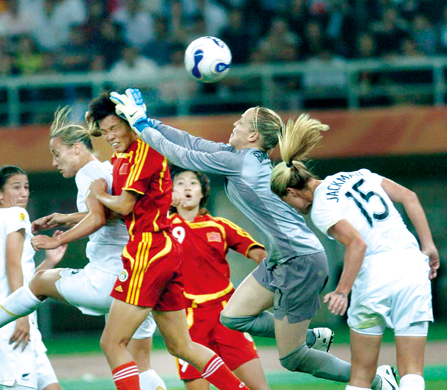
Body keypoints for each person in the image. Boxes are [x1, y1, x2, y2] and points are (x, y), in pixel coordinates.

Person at [109, 88, 398, 390]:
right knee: (232, 318)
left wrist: (140, 126)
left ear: (253, 137)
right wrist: (150, 122)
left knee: (293, 359)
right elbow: (191, 142)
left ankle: (377, 380)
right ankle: (310, 336)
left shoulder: (242, 163)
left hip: (300, 260)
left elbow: (182, 155)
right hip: (281, 259)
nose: (235, 123)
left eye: (242, 122)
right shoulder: (238, 156)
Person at [0, 108, 166, 390]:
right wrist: (64, 217)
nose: (54, 162)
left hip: (110, 278)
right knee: (140, 363)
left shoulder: (87, 173)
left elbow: (98, 218)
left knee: (41, 281)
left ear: (77, 149)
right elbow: (111, 213)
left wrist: (59, 239)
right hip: (140, 277)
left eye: (57, 153)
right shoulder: (107, 168)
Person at [83, 93, 251, 390]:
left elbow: (123, 206)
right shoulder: (122, 153)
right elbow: (97, 133)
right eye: (104, 131)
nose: (108, 136)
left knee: (112, 342)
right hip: (162, 251)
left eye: (113, 128)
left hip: (147, 250)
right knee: (181, 346)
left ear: (129, 123)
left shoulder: (144, 150)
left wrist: (97, 192)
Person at [270, 114, 440, 390]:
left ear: (291, 191)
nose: (293, 207)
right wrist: (428, 245)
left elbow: (357, 243)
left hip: (375, 276)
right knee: (412, 372)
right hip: (412, 266)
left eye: (287, 202)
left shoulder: (322, 207)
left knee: (361, 376)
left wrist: (342, 290)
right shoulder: (359, 174)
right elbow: (409, 196)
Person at [0, 165, 65, 390]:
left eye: (26, 187)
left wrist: (49, 262)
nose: (23, 193)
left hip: (13, 319)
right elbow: (12, 266)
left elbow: (19, 274)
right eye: (16, 187)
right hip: (13, 321)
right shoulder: (17, 214)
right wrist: (20, 315)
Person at [169, 166, 269, 390]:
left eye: (193, 183)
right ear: (169, 191)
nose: (187, 187)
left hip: (227, 315)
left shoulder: (220, 226)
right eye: (180, 182)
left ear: (203, 192)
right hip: (187, 321)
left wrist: (270, 287)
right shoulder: (162, 228)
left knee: (260, 388)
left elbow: (260, 255)